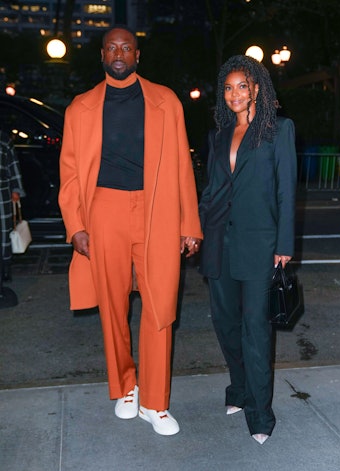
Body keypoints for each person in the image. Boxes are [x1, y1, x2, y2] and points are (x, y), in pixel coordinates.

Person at [58, 25, 202, 436]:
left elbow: (181, 167)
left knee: (160, 306)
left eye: (126, 47)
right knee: (113, 306)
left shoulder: (165, 101)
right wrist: (76, 226)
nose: (118, 53)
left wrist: (188, 224)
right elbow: (69, 176)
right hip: (104, 210)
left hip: (156, 208)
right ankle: (126, 388)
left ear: (138, 56)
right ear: (102, 55)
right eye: (111, 48)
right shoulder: (80, 107)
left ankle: (155, 403)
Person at [198, 55, 297, 445]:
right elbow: (212, 192)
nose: (235, 93)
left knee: (256, 329)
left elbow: (286, 191)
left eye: (242, 86)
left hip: (260, 245)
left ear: (256, 88)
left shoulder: (279, 130)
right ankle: (238, 391)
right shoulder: (220, 136)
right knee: (226, 325)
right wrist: (196, 231)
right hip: (220, 242)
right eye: (228, 87)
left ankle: (260, 413)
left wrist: (284, 244)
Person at [0, 130, 25, 282]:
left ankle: (4, 268)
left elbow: (13, 164)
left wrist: (16, 190)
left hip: (2, 193)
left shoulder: (3, 138)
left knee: (4, 233)